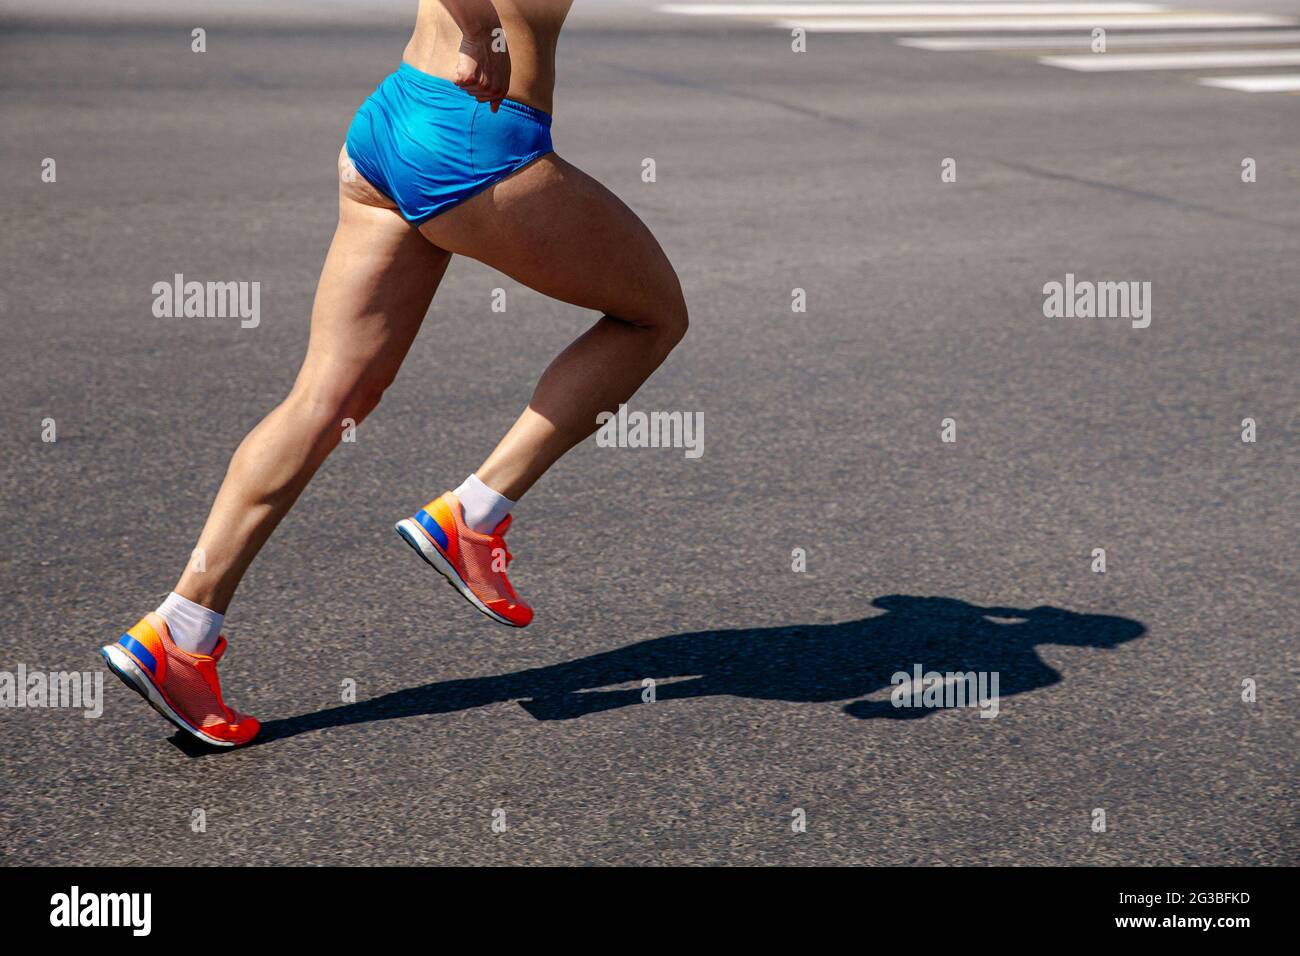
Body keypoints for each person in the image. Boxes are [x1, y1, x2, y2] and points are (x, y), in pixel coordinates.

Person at [100, 0, 688, 747]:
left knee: (328, 397)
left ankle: (180, 627)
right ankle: (472, 517)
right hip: (473, 134)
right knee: (654, 317)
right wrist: (479, 31)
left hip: (396, 117)